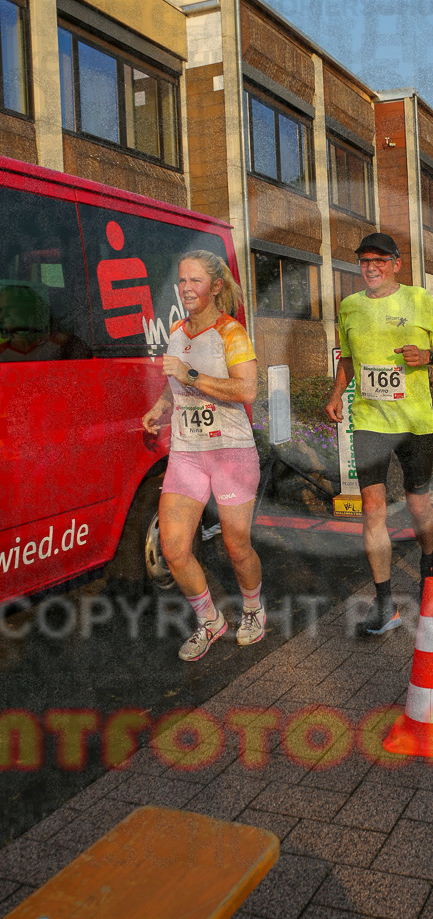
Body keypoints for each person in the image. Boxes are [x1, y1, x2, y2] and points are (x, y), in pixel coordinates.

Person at [324, 232, 433, 635]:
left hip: (415, 422)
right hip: (369, 421)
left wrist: (429, 356)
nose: (371, 267)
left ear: (396, 264)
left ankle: (428, 558)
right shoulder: (349, 307)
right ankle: (385, 604)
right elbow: (347, 358)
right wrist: (336, 393)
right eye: (365, 261)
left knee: (419, 507)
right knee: (372, 509)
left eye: (380, 261)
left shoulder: (419, 299)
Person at [142, 250, 264, 661]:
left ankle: (253, 610)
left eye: (195, 281)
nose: (186, 288)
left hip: (230, 452)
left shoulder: (231, 333)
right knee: (174, 548)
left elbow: (247, 390)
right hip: (187, 453)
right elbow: (175, 377)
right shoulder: (177, 330)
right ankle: (211, 622)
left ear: (214, 287)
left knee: (237, 546)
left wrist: (191, 375)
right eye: (181, 281)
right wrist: (161, 405)